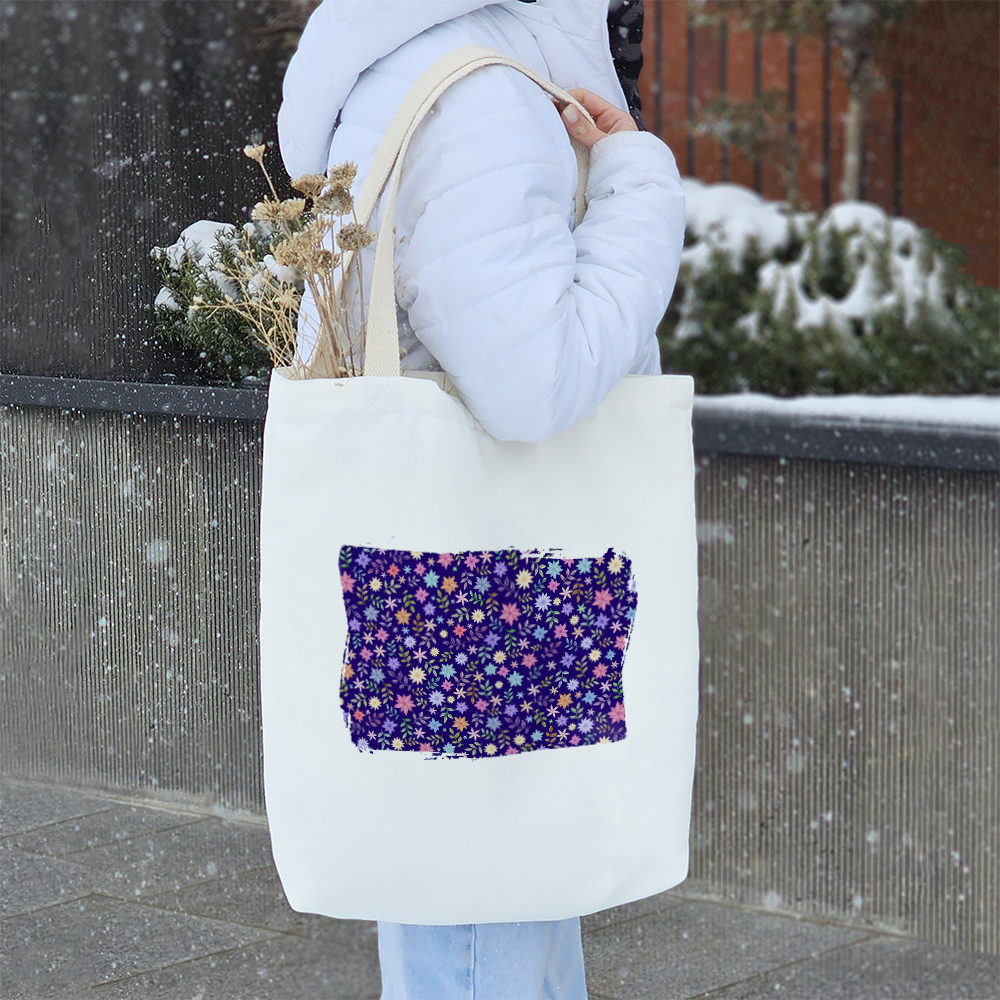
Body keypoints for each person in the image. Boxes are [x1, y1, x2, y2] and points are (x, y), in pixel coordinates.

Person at [277, 1, 685, 996]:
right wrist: (637, 185)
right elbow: (532, 384)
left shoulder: (429, 61)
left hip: (452, 593)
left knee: (486, 886)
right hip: (495, 595)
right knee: (484, 911)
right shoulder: (479, 95)